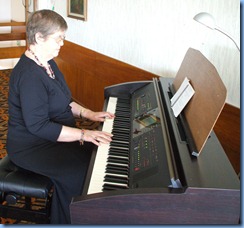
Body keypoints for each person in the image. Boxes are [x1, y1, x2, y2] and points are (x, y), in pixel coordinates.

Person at [6, 9, 114, 224]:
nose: (62, 43)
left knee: (94, 156)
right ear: (39, 37)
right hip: (32, 146)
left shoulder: (48, 63)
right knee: (80, 172)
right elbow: (39, 127)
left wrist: (88, 113)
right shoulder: (29, 75)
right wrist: (84, 133)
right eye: (59, 38)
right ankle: (66, 219)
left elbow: (64, 100)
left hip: (51, 138)